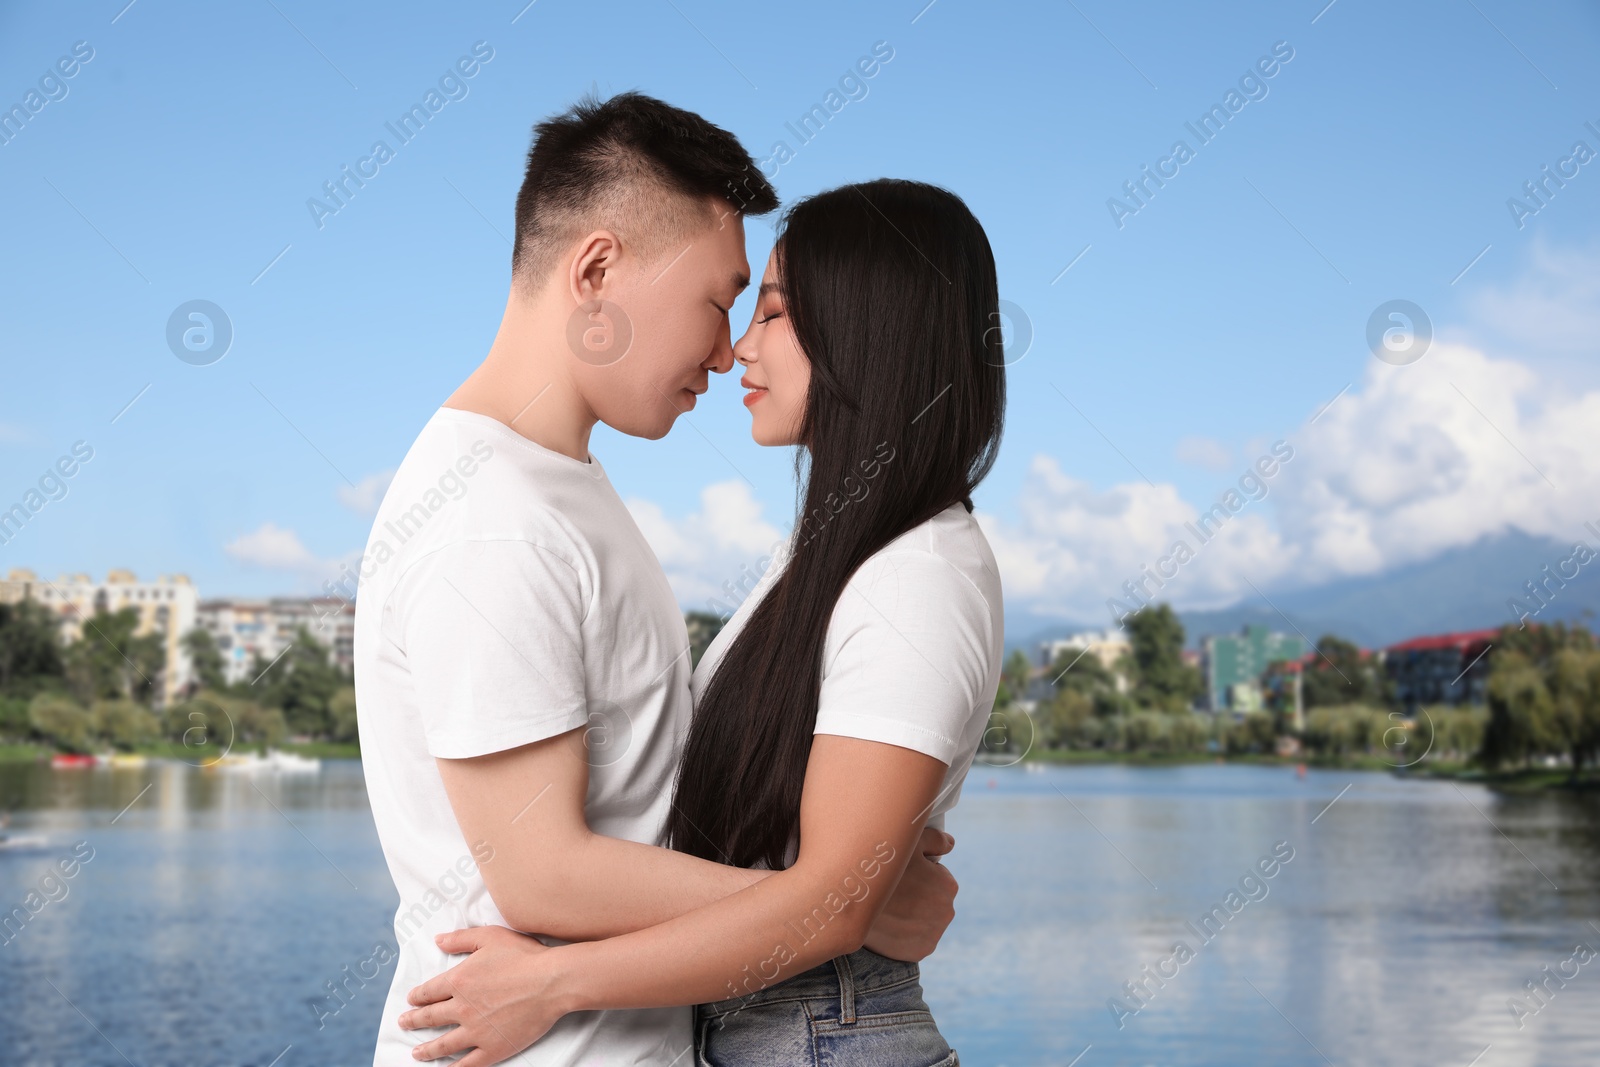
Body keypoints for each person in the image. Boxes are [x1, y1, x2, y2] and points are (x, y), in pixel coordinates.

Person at [353, 94, 958, 1067]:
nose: (726, 352)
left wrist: (838, 887)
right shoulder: (493, 518)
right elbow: (541, 872)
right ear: (596, 270)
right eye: (720, 302)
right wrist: (850, 899)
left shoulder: (559, 487)